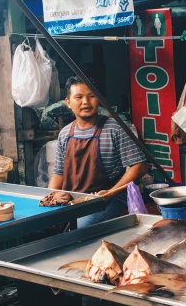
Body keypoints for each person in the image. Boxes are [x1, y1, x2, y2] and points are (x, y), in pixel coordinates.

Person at [47, 76, 147, 227]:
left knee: (84, 227)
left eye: (92, 96)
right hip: (77, 198)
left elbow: (139, 166)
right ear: (68, 102)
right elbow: (59, 173)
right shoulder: (65, 133)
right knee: (45, 225)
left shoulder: (115, 128)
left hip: (111, 197)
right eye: (79, 97)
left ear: (98, 99)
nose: (86, 102)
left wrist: (111, 193)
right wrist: (52, 195)